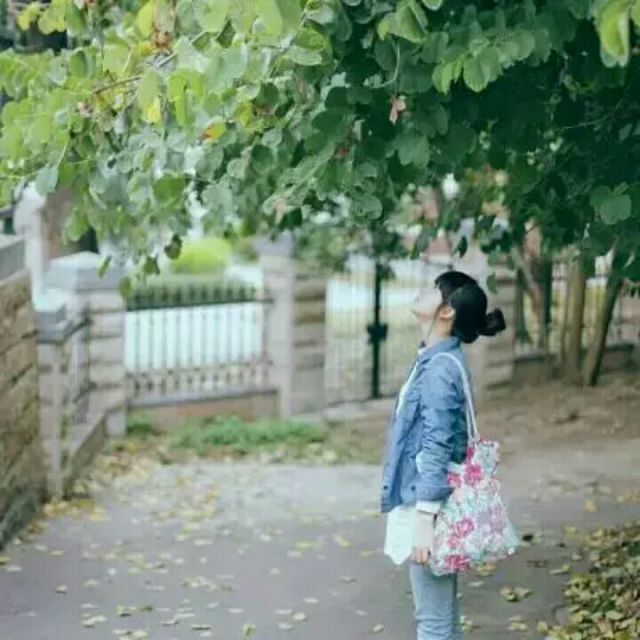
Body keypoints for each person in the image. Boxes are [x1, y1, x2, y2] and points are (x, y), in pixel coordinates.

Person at [380, 270, 506, 640]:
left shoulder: (438, 370)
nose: (423, 290)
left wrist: (424, 519)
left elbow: (436, 447)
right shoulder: (436, 360)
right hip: (434, 501)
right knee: (444, 620)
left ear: (447, 312)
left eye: (435, 289)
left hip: (430, 504)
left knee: (433, 623)